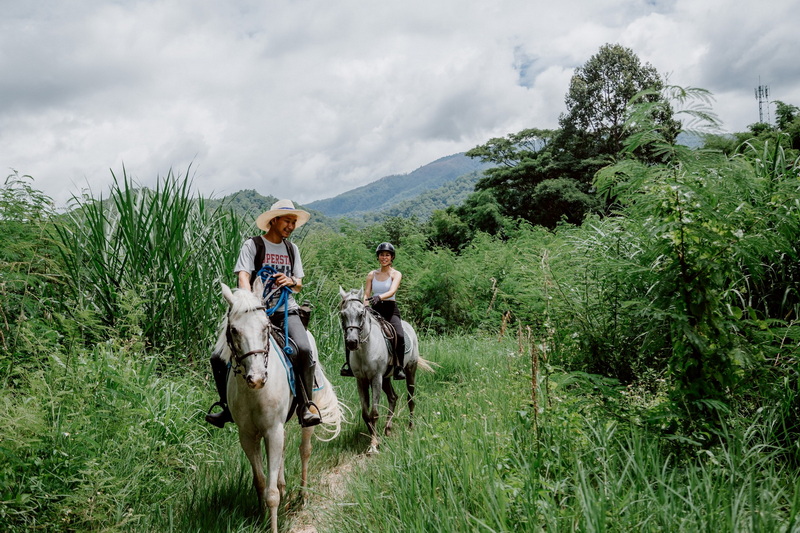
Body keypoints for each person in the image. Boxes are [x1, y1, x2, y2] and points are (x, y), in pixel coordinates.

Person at [205, 199, 321, 428]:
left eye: (294, 222)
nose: (291, 226)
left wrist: (291, 281)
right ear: (274, 220)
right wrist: (251, 306)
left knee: (304, 349)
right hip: (255, 313)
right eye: (288, 221)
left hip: (285, 310)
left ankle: (305, 406)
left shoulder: (291, 249)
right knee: (218, 357)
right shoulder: (253, 245)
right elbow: (243, 277)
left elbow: (299, 284)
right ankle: (225, 406)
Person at [340, 242, 406, 380]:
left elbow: (392, 290)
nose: (384, 257)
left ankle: (398, 367)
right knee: (352, 331)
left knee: (399, 335)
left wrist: (379, 297)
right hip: (374, 309)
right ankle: (349, 366)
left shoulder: (396, 274)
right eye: (381, 255)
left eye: (387, 255)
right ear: (378, 257)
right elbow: (366, 293)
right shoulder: (372, 274)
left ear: (392, 257)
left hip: (390, 310)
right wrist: (365, 305)